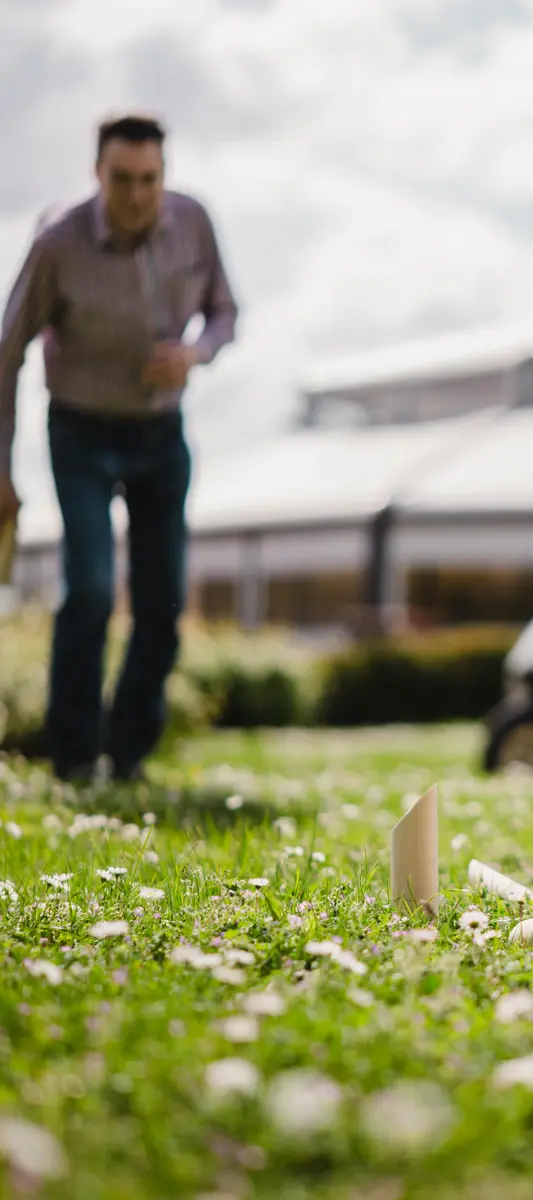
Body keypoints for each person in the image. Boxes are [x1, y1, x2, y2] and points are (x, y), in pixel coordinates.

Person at [0, 113, 239, 784]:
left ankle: (128, 756)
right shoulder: (58, 243)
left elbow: (226, 314)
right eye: (122, 179)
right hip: (80, 429)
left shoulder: (193, 222)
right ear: (97, 175)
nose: (137, 195)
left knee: (162, 603)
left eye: (150, 179)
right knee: (93, 590)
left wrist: (194, 352)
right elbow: (6, 351)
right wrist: (1, 468)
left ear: (164, 175)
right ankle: (75, 758)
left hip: (161, 432)